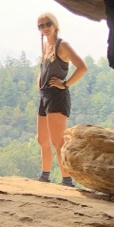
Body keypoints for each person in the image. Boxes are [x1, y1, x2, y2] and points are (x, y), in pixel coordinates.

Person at [34, 12, 88, 186]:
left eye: (47, 24)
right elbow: (43, 69)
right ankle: (45, 175)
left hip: (57, 97)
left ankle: (67, 180)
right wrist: (39, 81)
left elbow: (82, 67)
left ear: (55, 25)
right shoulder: (45, 46)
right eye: (41, 26)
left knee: (58, 141)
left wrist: (65, 84)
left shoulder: (62, 45)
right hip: (45, 95)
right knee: (42, 139)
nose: (45, 28)